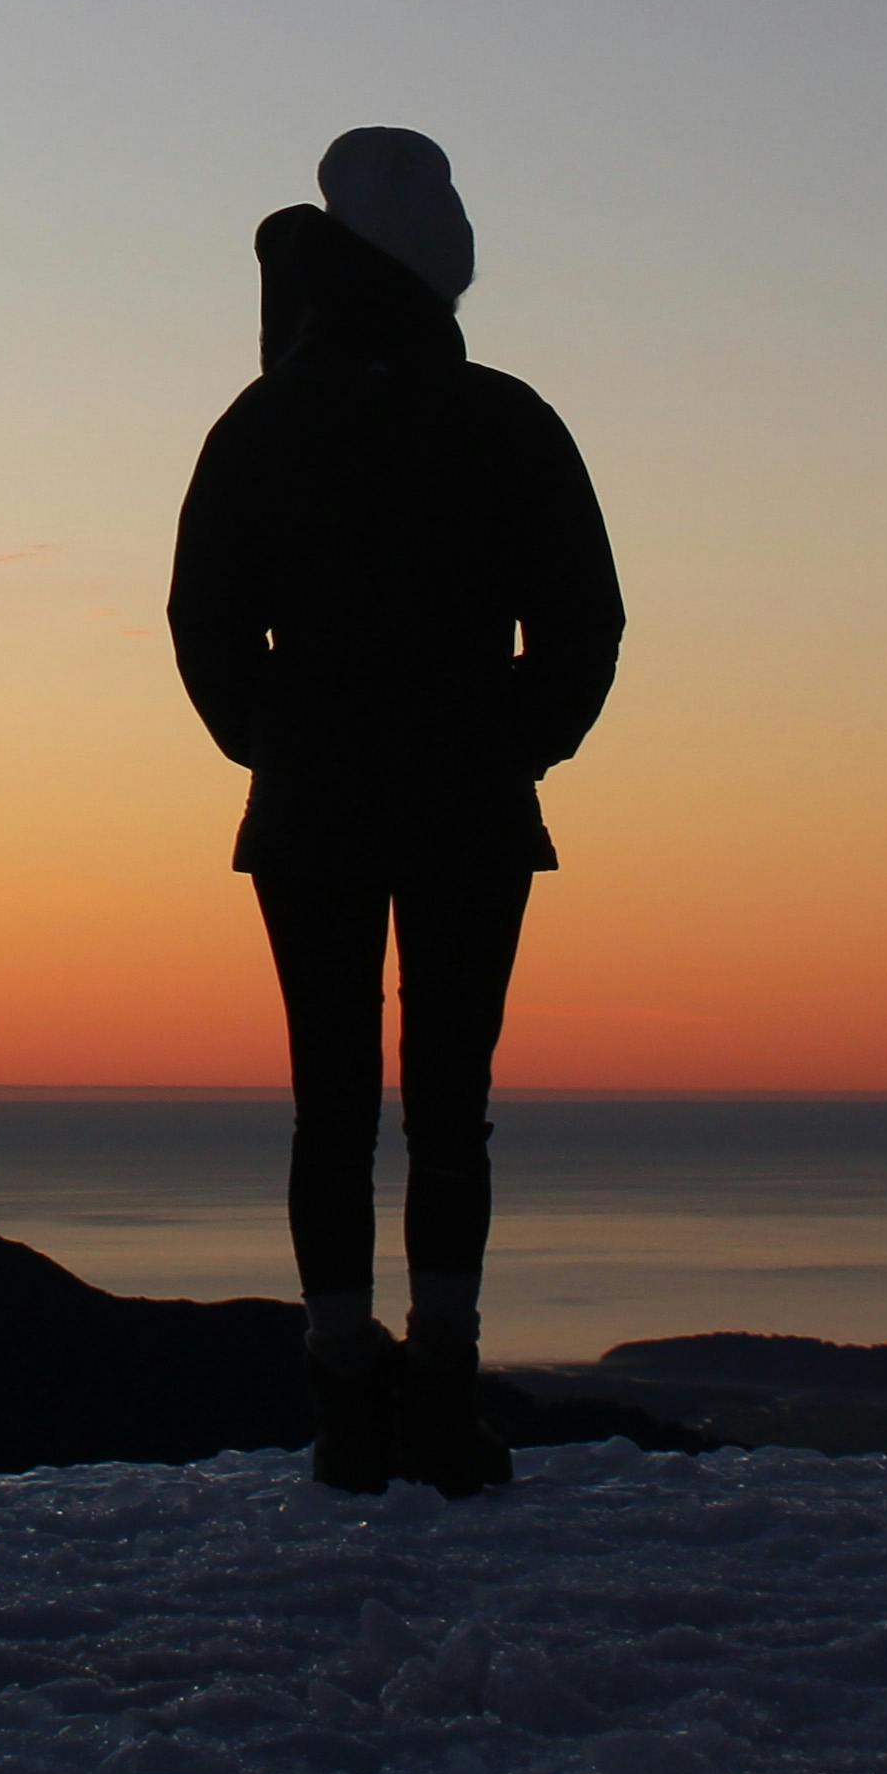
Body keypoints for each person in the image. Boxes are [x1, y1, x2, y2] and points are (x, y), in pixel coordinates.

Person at [169, 129, 624, 1496]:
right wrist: (518, 742)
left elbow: (204, 619)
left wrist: (277, 741)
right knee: (447, 1110)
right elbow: (585, 622)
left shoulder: (266, 422)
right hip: (470, 807)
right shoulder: (508, 419)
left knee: (332, 1104)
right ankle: (440, 1386)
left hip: (314, 805)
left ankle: (348, 1393)